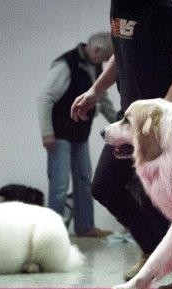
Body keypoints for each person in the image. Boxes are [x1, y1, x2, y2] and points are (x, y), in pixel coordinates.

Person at [70, 0, 172, 289]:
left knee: (156, 200)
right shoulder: (119, 4)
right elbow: (120, 54)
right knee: (104, 187)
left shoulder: (161, 9)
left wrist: (157, 119)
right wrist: (95, 91)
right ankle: (154, 249)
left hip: (161, 122)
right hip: (130, 119)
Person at [37, 32, 116, 238]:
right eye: (105, 57)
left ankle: (85, 227)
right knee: (60, 185)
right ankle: (52, 235)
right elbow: (44, 98)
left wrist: (119, 126)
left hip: (80, 134)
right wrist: (47, 133)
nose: (106, 62)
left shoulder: (96, 66)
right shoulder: (66, 64)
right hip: (60, 134)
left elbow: (103, 100)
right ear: (97, 50)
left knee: (84, 181)